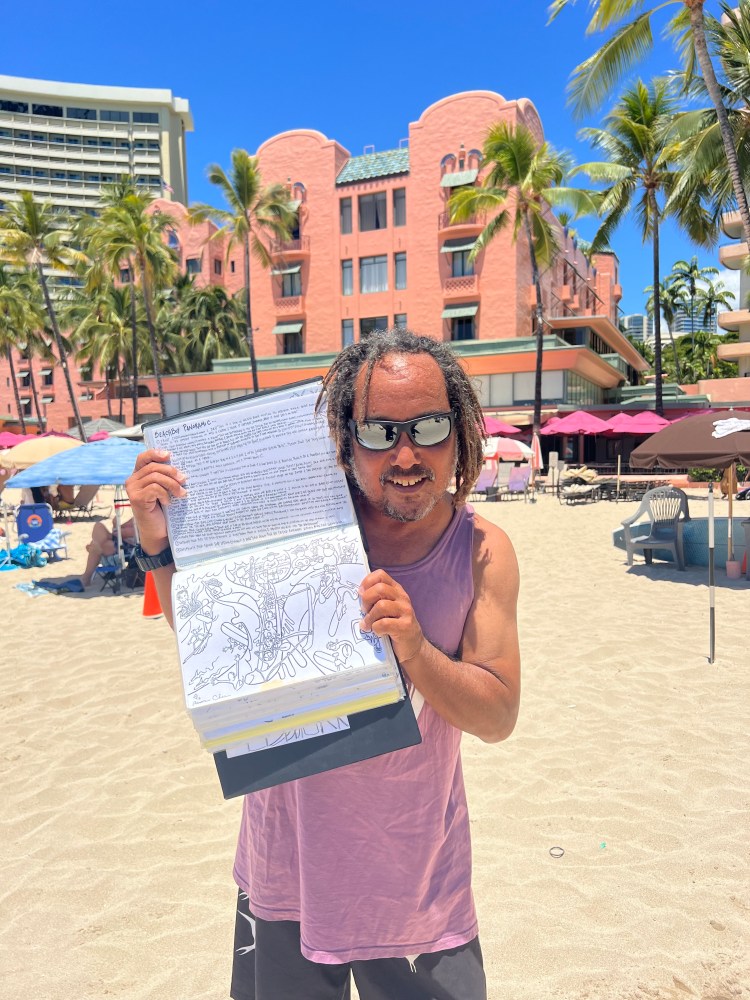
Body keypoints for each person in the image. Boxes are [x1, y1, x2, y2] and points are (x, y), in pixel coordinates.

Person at [125, 329, 521, 1000]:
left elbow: (499, 714)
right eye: (378, 432)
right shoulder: (300, 522)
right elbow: (214, 643)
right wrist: (158, 541)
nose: (405, 454)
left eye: (428, 427)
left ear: (460, 432)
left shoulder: (481, 548)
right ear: (343, 438)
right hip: (288, 868)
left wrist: (418, 652)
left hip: (416, 877)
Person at [79, 516, 136, 588]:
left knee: (98, 545)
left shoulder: (148, 519)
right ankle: (97, 547)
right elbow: (119, 530)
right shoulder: (137, 517)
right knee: (98, 526)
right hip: (119, 541)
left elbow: (126, 532)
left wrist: (117, 528)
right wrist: (115, 525)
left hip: (128, 547)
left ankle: (86, 577)